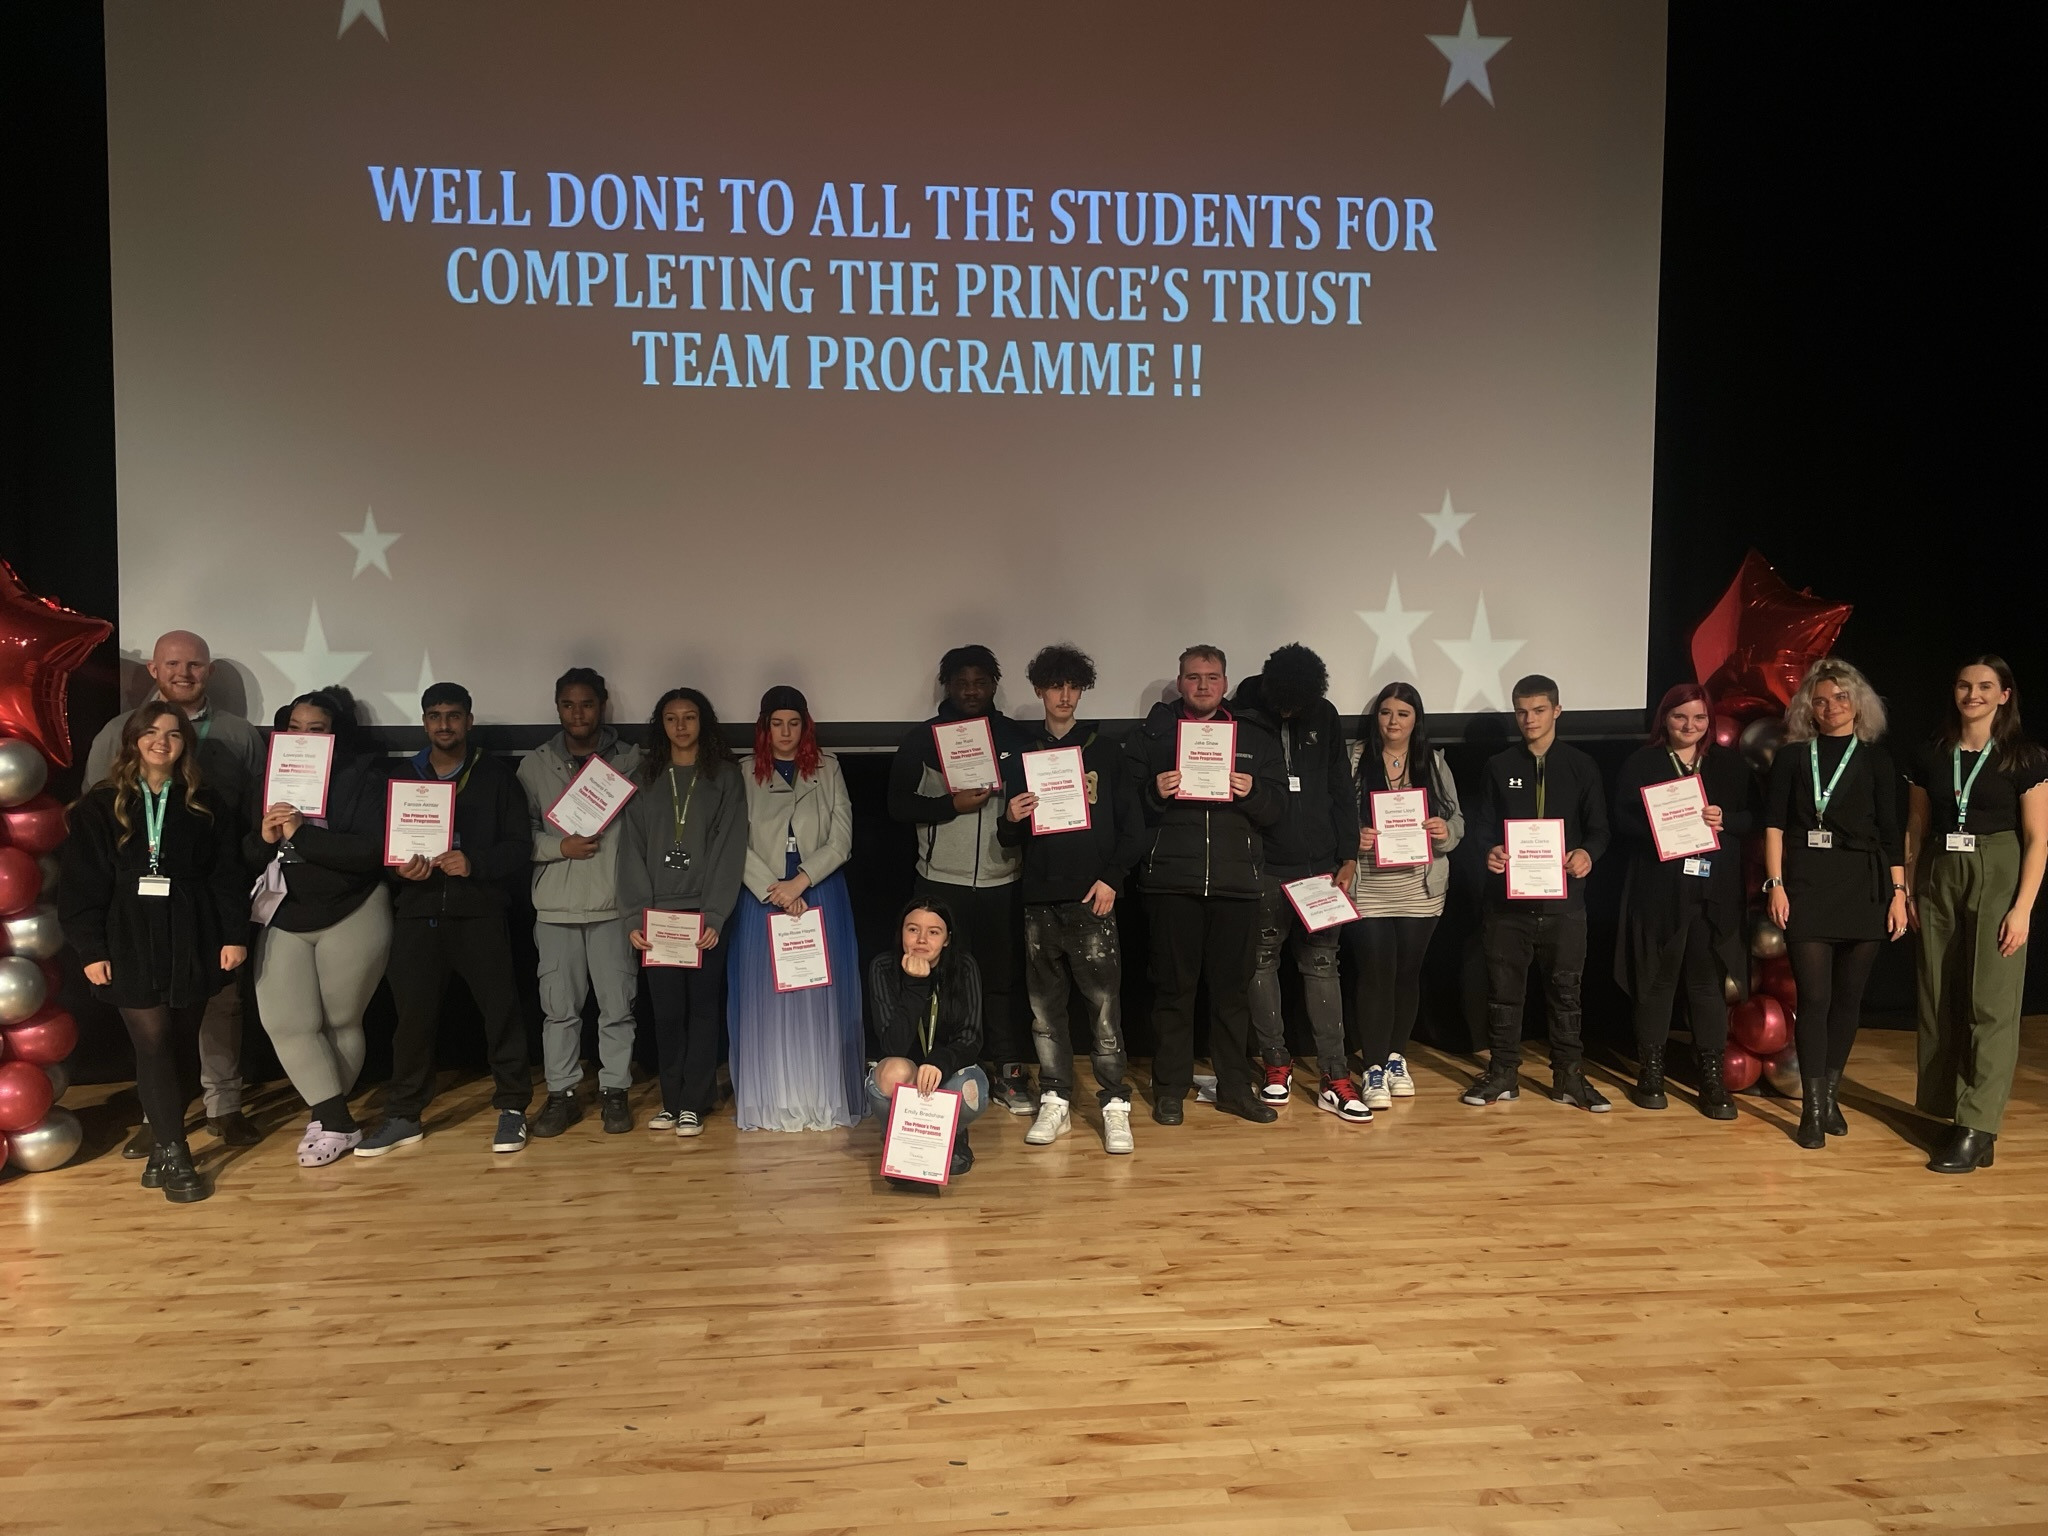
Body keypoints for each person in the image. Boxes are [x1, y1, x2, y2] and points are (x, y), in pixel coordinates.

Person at [60, 703, 248, 1202]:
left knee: (181, 1045)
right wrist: (90, 948)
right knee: (152, 1042)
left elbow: (227, 876)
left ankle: (165, 1146)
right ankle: (177, 1152)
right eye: (151, 732)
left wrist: (234, 935)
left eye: (173, 734)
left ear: (186, 744)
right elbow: (80, 887)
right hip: (126, 936)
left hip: (193, 934)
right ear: (133, 740)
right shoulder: (100, 806)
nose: (162, 741)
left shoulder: (205, 802)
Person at [85, 630, 264, 1152]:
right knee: (155, 1024)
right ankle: (160, 1119)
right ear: (154, 672)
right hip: (136, 914)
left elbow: (249, 812)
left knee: (220, 1007)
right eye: (173, 664)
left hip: (206, 900)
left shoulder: (238, 734)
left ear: (207, 671)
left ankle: (223, 1106)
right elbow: (97, 814)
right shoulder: (117, 731)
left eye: (195, 664)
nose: (184, 673)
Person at [355, 683, 536, 1157]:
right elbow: (381, 849)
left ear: (469, 721)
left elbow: (520, 846)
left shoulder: (497, 777)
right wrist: (399, 870)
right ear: (424, 723)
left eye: (453, 716)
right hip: (417, 915)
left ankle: (513, 1107)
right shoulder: (402, 776)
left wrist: (475, 863)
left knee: (501, 1013)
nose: (444, 724)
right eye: (434, 716)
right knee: (411, 1022)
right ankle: (404, 1116)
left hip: (479, 913)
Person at [1124, 645, 1288, 1125]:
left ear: (1225, 682)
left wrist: (1253, 792)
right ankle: (1170, 1089)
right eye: (1193, 677)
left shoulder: (1255, 737)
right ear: (1179, 681)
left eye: (1211, 677)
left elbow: (1279, 810)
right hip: (1171, 881)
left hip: (1237, 883)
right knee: (1173, 992)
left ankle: (1235, 1088)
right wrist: (1154, 792)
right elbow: (1126, 808)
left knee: (1232, 993)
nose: (1202, 686)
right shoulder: (1152, 736)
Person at [998, 644, 1146, 1153]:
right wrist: (1011, 819)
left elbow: (1133, 830)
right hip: (1040, 899)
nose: (1064, 696)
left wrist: (1111, 879)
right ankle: (1056, 1100)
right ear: (1039, 690)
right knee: (1045, 1012)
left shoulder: (1106, 750)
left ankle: (1114, 1103)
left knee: (1104, 1009)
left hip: (1093, 899)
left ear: (1081, 690)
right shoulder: (1023, 753)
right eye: (1055, 686)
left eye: (1073, 686)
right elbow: (1009, 837)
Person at [1904, 655, 2047, 1173]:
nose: (1974, 695)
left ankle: (1978, 1124)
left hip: (1999, 867)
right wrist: (1910, 888)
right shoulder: (1932, 754)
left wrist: (2023, 908)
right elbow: (1916, 828)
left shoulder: (2023, 757)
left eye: (1986, 686)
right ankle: (1949, 1112)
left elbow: (2038, 838)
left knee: (1991, 1002)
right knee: (1938, 995)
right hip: (1941, 868)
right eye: (1965, 685)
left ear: (2005, 694)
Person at [1762, 658, 1908, 1150]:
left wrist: (1899, 895)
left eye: (1841, 698)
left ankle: (1830, 1097)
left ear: (1857, 704)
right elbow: (1775, 825)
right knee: (1816, 999)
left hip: (1864, 886)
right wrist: (1776, 883)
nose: (1831, 707)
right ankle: (1810, 1107)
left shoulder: (1877, 760)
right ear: (1810, 708)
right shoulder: (1792, 757)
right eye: (1820, 700)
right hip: (1807, 883)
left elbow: (1891, 834)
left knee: (1848, 1000)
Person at [244, 688, 392, 1165]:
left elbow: (370, 853)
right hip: (286, 911)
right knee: (286, 1021)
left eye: (317, 729)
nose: (305, 737)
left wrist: (303, 835)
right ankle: (338, 1120)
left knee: (340, 1020)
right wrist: (265, 839)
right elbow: (244, 854)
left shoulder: (364, 774)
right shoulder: (267, 778)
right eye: (296, 728)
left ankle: (327, 1117)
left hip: (354, 907)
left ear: (334, 733)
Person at [888, 645, 1036, 1114]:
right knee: (938, 979)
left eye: (980, 682)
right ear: (947, 685)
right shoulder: (922, 740)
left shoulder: (1016, 737)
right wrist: (951, 805)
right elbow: (898, 805)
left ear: (994, 684)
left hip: (1001, 879)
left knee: (1001, 980)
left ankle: (1009, 1069)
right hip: (939, 884)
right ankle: (933, 1068)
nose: (971, 691)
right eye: (961, 682)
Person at [1465, 674, 1612, 1111]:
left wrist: (1588, 853)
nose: (1530, 719)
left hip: (1565, 905)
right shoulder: (1499, 765)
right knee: (1503, 994)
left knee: (1566, 994)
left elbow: (1601, 830)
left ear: (1557, 711)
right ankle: (1503, 1073)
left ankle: (1568, 1077)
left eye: (1539, 710)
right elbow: (1482, 829)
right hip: (1507, 905)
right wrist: (1489, 850)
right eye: (1522, 711)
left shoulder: (1581, 765)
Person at [1611, 684, 1757, 1119]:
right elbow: (1621, 819)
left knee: (1706, 984)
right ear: (1664, 720)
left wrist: (1725, 819)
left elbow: (1756, 818)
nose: (1689, 726)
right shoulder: (1643, 762)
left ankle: (1711, 1078)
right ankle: (1650, 1073)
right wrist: (1656, 827)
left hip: (1713, 891)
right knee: (1657, 980)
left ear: (1709, 721)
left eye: (1698, 718)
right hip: (1659, 890)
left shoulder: (1729, 765)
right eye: (1679, 718)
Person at [1232, 644, 1365, 1120]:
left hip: (1320, 867)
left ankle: (1335, 1073)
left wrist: (1347, 854)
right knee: (1261, 961)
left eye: (1298, 706)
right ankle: (1275, 1062)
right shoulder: (1241, 713)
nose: (1289, 712)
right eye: (1283, 704)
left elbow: (1339, 787)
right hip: (1265, 864)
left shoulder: (1323, 714)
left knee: (1322, 966)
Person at [727, 686, 865, 1132]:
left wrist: (800, 882)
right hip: (763, 897)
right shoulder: (744, 772)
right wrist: (776, 891)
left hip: (819, 890)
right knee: (769, 998)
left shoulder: (828, 769)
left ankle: (818, 1095)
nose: (785, 732)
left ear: (805, 727)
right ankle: (775, 1099)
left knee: (818, 995)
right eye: (776, 723)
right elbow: (734, 842)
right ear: (764, 729)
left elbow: (841, 840)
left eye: (794, 723)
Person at [517, 668, 645, 1138]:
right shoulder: (534, 765)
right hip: (555, 908)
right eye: (568, 704)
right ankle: (563, 1094)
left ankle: (615, 1092)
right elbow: (518, 839)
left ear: (602, 705)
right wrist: (559, 848)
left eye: (587, 704)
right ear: (557, 707)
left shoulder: (633, 763)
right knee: (559, 1010)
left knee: (617, 1009)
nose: (578, 713)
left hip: (614, 907)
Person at [616, 687, 748, 1137]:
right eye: (671, 719)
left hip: (705, 918)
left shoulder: (725, 778)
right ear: (661, 726)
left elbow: (731, 849)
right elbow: (629, 851)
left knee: (704, 1009)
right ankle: (671, 1103)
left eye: (689, 717)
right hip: (658, 920)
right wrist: (636, 916)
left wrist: (714, 915)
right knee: (667, 1012)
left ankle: (695, 1101)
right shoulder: (644, 777)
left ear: (702, 723)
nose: (681, 726)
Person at [1346, 681, 1463, 1109]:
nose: (1393, 722)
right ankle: (1373, 1066)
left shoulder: (1431, 762)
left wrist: (1445, 831)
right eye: (1385, 713)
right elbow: (1332, 814)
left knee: (1407, 975)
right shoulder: (1353, 758)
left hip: (1420, 888)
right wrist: (1350, 838)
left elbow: (1456, 818)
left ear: (1417, 720)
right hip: (1370, 886)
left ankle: (1397, 1057)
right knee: (1375, 975)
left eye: (1403, 714)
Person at [865, 897, 987, 1178]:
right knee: (890, 1072)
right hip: (906, 1073)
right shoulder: (883, 967)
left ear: (946, 940)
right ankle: (903, 1142)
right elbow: (892, 1045)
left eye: (934, 932)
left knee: (971, 1093)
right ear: (901, 933)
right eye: (912, 930)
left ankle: (950, 1137)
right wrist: (916, 985)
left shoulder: (964, 967)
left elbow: (970, 1038)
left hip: (947, 1069)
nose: (922, 939)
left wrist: (939, 1061)